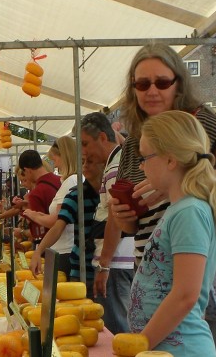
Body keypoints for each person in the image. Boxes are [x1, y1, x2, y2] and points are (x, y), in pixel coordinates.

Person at [108, 43, 216, 357]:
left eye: (162, 82)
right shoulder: (137, 139)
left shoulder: (198, 123)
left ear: (178, 83)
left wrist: (187, 181)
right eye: (142, 84)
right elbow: (135, 223)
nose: (151, 90)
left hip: (195, 291)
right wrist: (123, 214)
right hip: (156, 282)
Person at [127, 110, 216, 356]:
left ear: (171, 160)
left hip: (182, 349)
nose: (141, 166)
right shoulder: (180, 209)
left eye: (145, 157)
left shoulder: (189, 212)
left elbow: (185, 294)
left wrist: (142, 344)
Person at [78, 111, 133, 335]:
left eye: (85, 144)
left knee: (118, 329)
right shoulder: (118, 161)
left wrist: (104, 265)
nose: (84, 151)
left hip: (117, 263)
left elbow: (115, 218)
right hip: (119, 261)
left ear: (102, 137)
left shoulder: (113, 168)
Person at [29, 157, 104, 290]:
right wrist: (38, 251)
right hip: (81, 268)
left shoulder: (108, 195)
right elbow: (58, 227)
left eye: (90, 161)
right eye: (83, 163)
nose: (85, 166)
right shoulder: (75, 195)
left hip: (106, 267)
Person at [22, 136, 80, 275]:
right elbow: (59, 216)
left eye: (55, 160)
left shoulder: (71, 181)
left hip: (65, 251)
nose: (55, 165)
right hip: (64, 249)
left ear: (64, 157)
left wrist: (34, 216)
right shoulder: (71, 180)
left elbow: (57, 222)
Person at [18, 149, 62, 242]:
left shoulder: (36, 193)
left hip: (52, 245)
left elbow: (38, 233)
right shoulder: (61, 180)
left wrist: (22, 232)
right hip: (70, 240)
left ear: (26, 170)